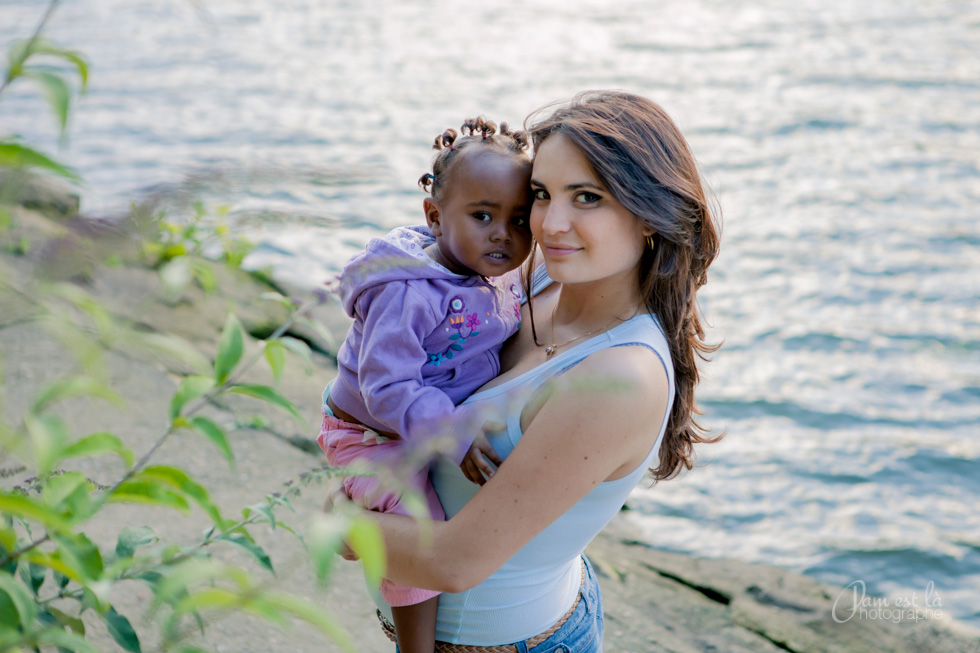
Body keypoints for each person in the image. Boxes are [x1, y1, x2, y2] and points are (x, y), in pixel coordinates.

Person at [337, 90, 722, 652]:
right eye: (541, 194)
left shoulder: (620, 377)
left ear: (650, 215)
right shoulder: (539, 276)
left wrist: (343, 523)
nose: (551, 224)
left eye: (587, 197)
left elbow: (455, 561)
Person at [317, 117, 534, 653]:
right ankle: (415, 646)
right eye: (482, 216)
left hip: (412, 417)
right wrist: (453, 432)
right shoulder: (407, 293)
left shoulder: (493, 268)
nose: (502, 233)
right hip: (370, 433)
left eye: (520, 219)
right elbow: (385, 387)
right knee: (416, 515)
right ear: (435, 218)